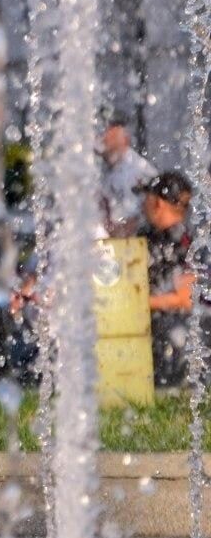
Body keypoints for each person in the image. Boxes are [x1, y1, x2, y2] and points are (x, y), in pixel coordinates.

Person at [137, 171, 196, 386]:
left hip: (177, 345)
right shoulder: (149, 236)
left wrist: (135, 305)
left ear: (158, 203)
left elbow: (186, 299)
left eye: (146, 197)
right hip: (158, 338)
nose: (142, 204)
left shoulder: (185, 243)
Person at [99, 115, 157, 236]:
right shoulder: (108, 169)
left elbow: (150, 211)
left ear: (125, 139)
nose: (103, 139)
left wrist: (121, 229)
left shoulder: (138, 170)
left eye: (110, 135)